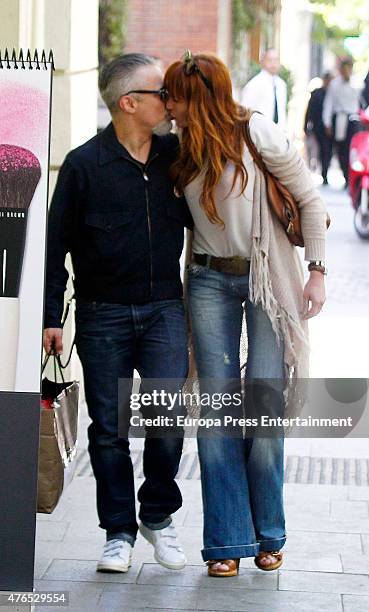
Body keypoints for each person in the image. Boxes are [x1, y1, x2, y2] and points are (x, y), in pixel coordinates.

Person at [164, 51, 327, 577]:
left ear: (200, 97)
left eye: (175, 97)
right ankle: (226, 542)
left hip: (264, 278)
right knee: (216, 411)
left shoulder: (257, 134)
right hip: (209, 279)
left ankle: (269, 534)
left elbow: (307, 197)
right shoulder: (179, 147)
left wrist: (316, 270)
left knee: (261, 402)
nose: (169, 106)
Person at [43, 53, 194, 574]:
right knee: (107, 429)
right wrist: (51, 318)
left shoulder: (176, 155)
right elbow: (53, 246)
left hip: (164, 312)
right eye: (161, 93)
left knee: (167, 419)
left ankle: (156, 515)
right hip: (102, 314)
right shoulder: (84, 165)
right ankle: (118, 532)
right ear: (130, 103)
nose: (170, 102)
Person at [322, 57, 360, 186]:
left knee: (354, 149)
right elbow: (329, 104)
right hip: (340, 119)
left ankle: (352, 178)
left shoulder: (357, 83)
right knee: (342, 149)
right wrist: (327, 122)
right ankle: (346, 176)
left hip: (354, 119)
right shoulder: (334, 84)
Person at [241, 48, 287, 130]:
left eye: (276, 60)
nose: (273, 63)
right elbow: (245, 110)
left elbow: (282, 112)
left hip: (278, 133)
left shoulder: (281, 85)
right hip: (259, 134)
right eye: (270, 60)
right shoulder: (254, 84)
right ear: (262, 62)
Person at [304, 72, 333, 185]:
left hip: (331, 128)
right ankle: (321, 172)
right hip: (318, 127)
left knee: (328, 151)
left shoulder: (332, 93)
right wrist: (306, 126)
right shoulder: (317, 93)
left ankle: (324, 172)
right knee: (321, 149)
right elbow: (309, 111)